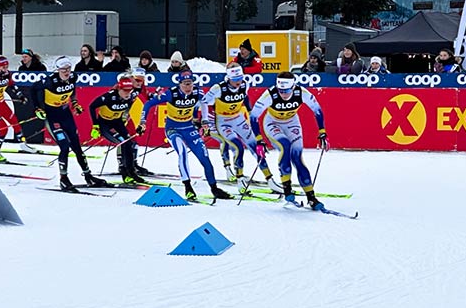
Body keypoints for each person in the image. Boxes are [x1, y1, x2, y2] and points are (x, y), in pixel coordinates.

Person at [140, 70, 232, 202]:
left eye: (191, 83)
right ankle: (188, 187)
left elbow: (205, 103)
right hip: (173, 129)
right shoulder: (171, 93)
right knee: (182, 152)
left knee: (204, 157)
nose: (188, 87)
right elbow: (148, 104)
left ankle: (214, 188)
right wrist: (143, 122)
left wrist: (204, 121)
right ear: (179, 84)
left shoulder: (197, 92)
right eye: (185, 84)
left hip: (188, 128)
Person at [249, 71, 327, 211]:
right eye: (281, 91)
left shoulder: (301, 92)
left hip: (292, 123)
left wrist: (322, 132)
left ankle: (311, 197)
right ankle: (287, 188)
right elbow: (254, 117)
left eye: (286, 91)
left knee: (297, 157)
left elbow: (317, 110)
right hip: (272, 123)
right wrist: (259, 140)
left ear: (293, 86)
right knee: (285, 146)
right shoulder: (269, 95)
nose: (283, 94)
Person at [31, 56, 110, 192]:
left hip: (66, 115)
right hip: (52, 117)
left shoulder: (73, 77)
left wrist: (74, 103)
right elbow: (33, 89)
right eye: (63, 70)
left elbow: (73, 91)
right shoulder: (50, 81)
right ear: (58, 70)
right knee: (65, 146)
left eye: (68, 69)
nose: (67, 72)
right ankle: (63, 179)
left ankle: (88, 176)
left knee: (77, 146)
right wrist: (37, 108)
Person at [201, 64, 281, 194]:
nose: (239, 81)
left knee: (256, 147)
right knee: (237, 146)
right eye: (236, 78)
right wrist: (204, 120)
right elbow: (204, 102)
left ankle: (270, 179)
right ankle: (240, 180)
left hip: (238, 119)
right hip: (223, 122)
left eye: (240, 77)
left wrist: (249, 111)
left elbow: (245, 96)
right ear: (229, 77)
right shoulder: (218, 88)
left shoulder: (244, 84)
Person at [89, 73, 145, 183]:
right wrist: (95, 126)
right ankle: (125, 174)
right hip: (105, 123)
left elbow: (130, 103)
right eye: (125, 90)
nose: (128, 93)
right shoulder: (109, 97)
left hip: (117, 122)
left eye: (130, 90)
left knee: (129, 143)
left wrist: (126, 117)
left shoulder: (131, 96)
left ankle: (132, 173)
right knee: (123, 142)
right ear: (119, 89)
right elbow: (92, 106)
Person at [0, 55, 37, 162]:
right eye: (3, 67)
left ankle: (23, 145)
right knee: (3, 128)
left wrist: (20, 96)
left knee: (15, 122)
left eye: (6, 66)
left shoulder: (7, 74)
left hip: (1, 103)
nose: (5, 69)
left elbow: (12, 85)